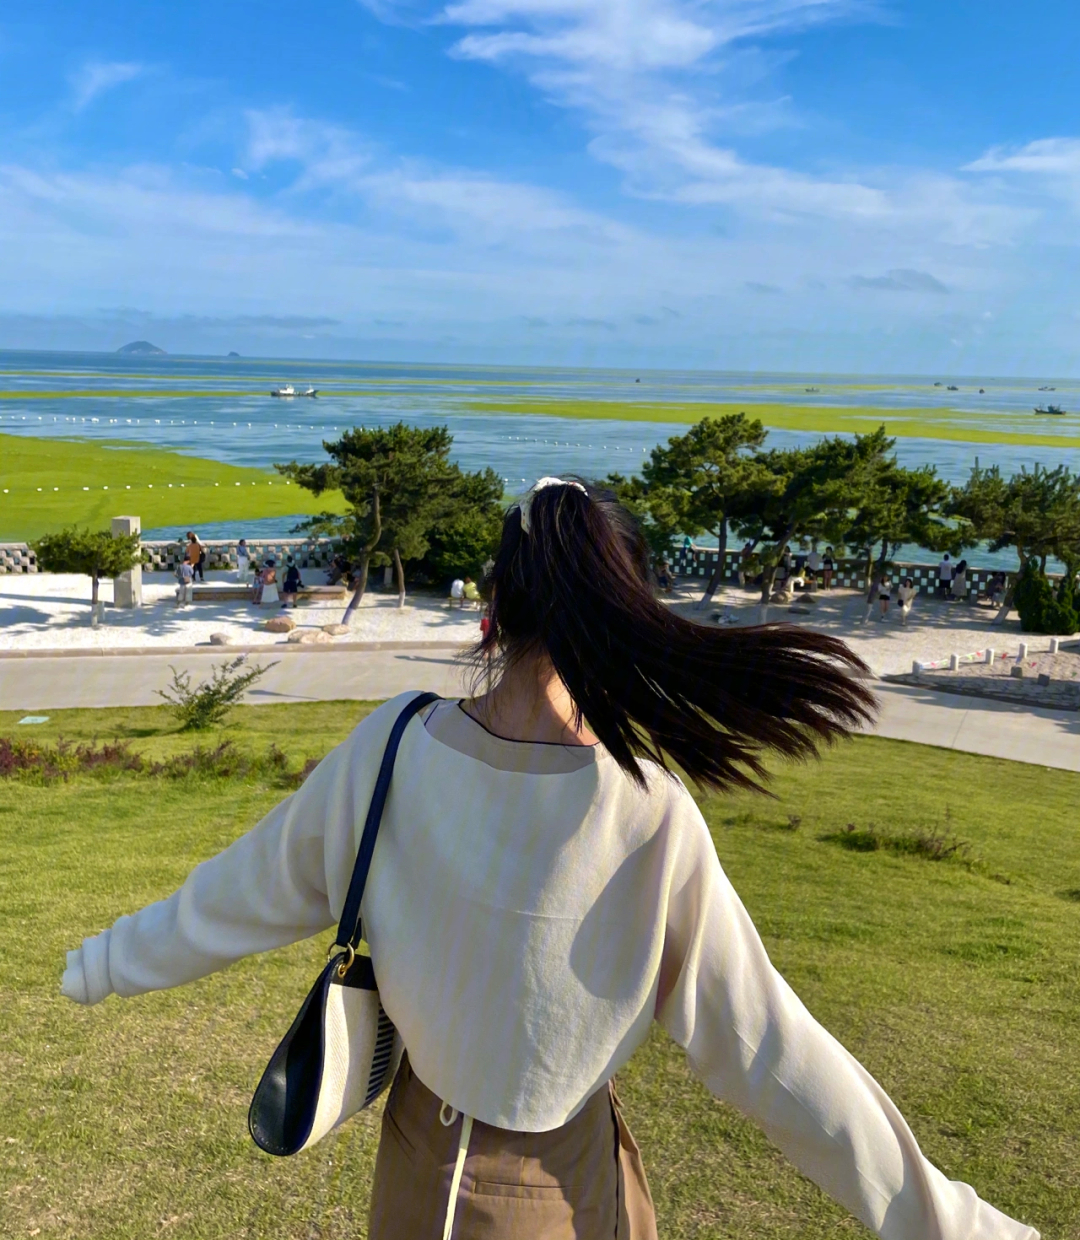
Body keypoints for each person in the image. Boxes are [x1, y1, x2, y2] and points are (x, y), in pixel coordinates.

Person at [59, 478, 1038, 1240]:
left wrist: (104, 962)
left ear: (495, 605)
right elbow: (775, 1055)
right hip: (560, 1189)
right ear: (621, 605)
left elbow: (236, 894)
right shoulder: (645, 809)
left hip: (411, 1168)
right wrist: (948, 1218)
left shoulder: (392, 747)